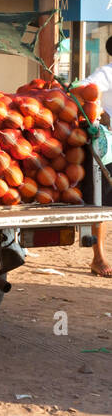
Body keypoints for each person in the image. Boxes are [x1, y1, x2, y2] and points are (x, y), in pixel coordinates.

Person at [87, 37, 112, 278]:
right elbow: (83, 89)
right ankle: (98, 257)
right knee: (103, 206)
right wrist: (102, 114)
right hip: (111, 146)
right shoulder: (107, 72)